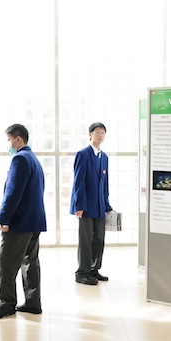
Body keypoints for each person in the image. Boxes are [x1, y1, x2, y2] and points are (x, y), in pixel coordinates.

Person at [0, 124, 46, 319]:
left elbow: (13, 193)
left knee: (6, 263)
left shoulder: (20, 159)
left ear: (18, 139)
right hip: (34, 221)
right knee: (30, 262)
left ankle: (6, 304)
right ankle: (32, 302)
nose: (8, 144)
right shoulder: (33, 159)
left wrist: (3, 218)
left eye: (8, 140)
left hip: (20, 222)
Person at [70, 122, 112, 285]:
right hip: (86, 206)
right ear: (90, 135)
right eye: (97, 132)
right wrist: (79, 206)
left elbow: (105, 184)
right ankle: (82, 272)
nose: (100, 135)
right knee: (86, 241)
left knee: (99, 239)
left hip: (100, 206)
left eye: (103, 133)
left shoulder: (104, 157)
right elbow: (78, 182)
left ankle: (94, 270)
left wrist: (107, 205)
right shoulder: (83, 154)